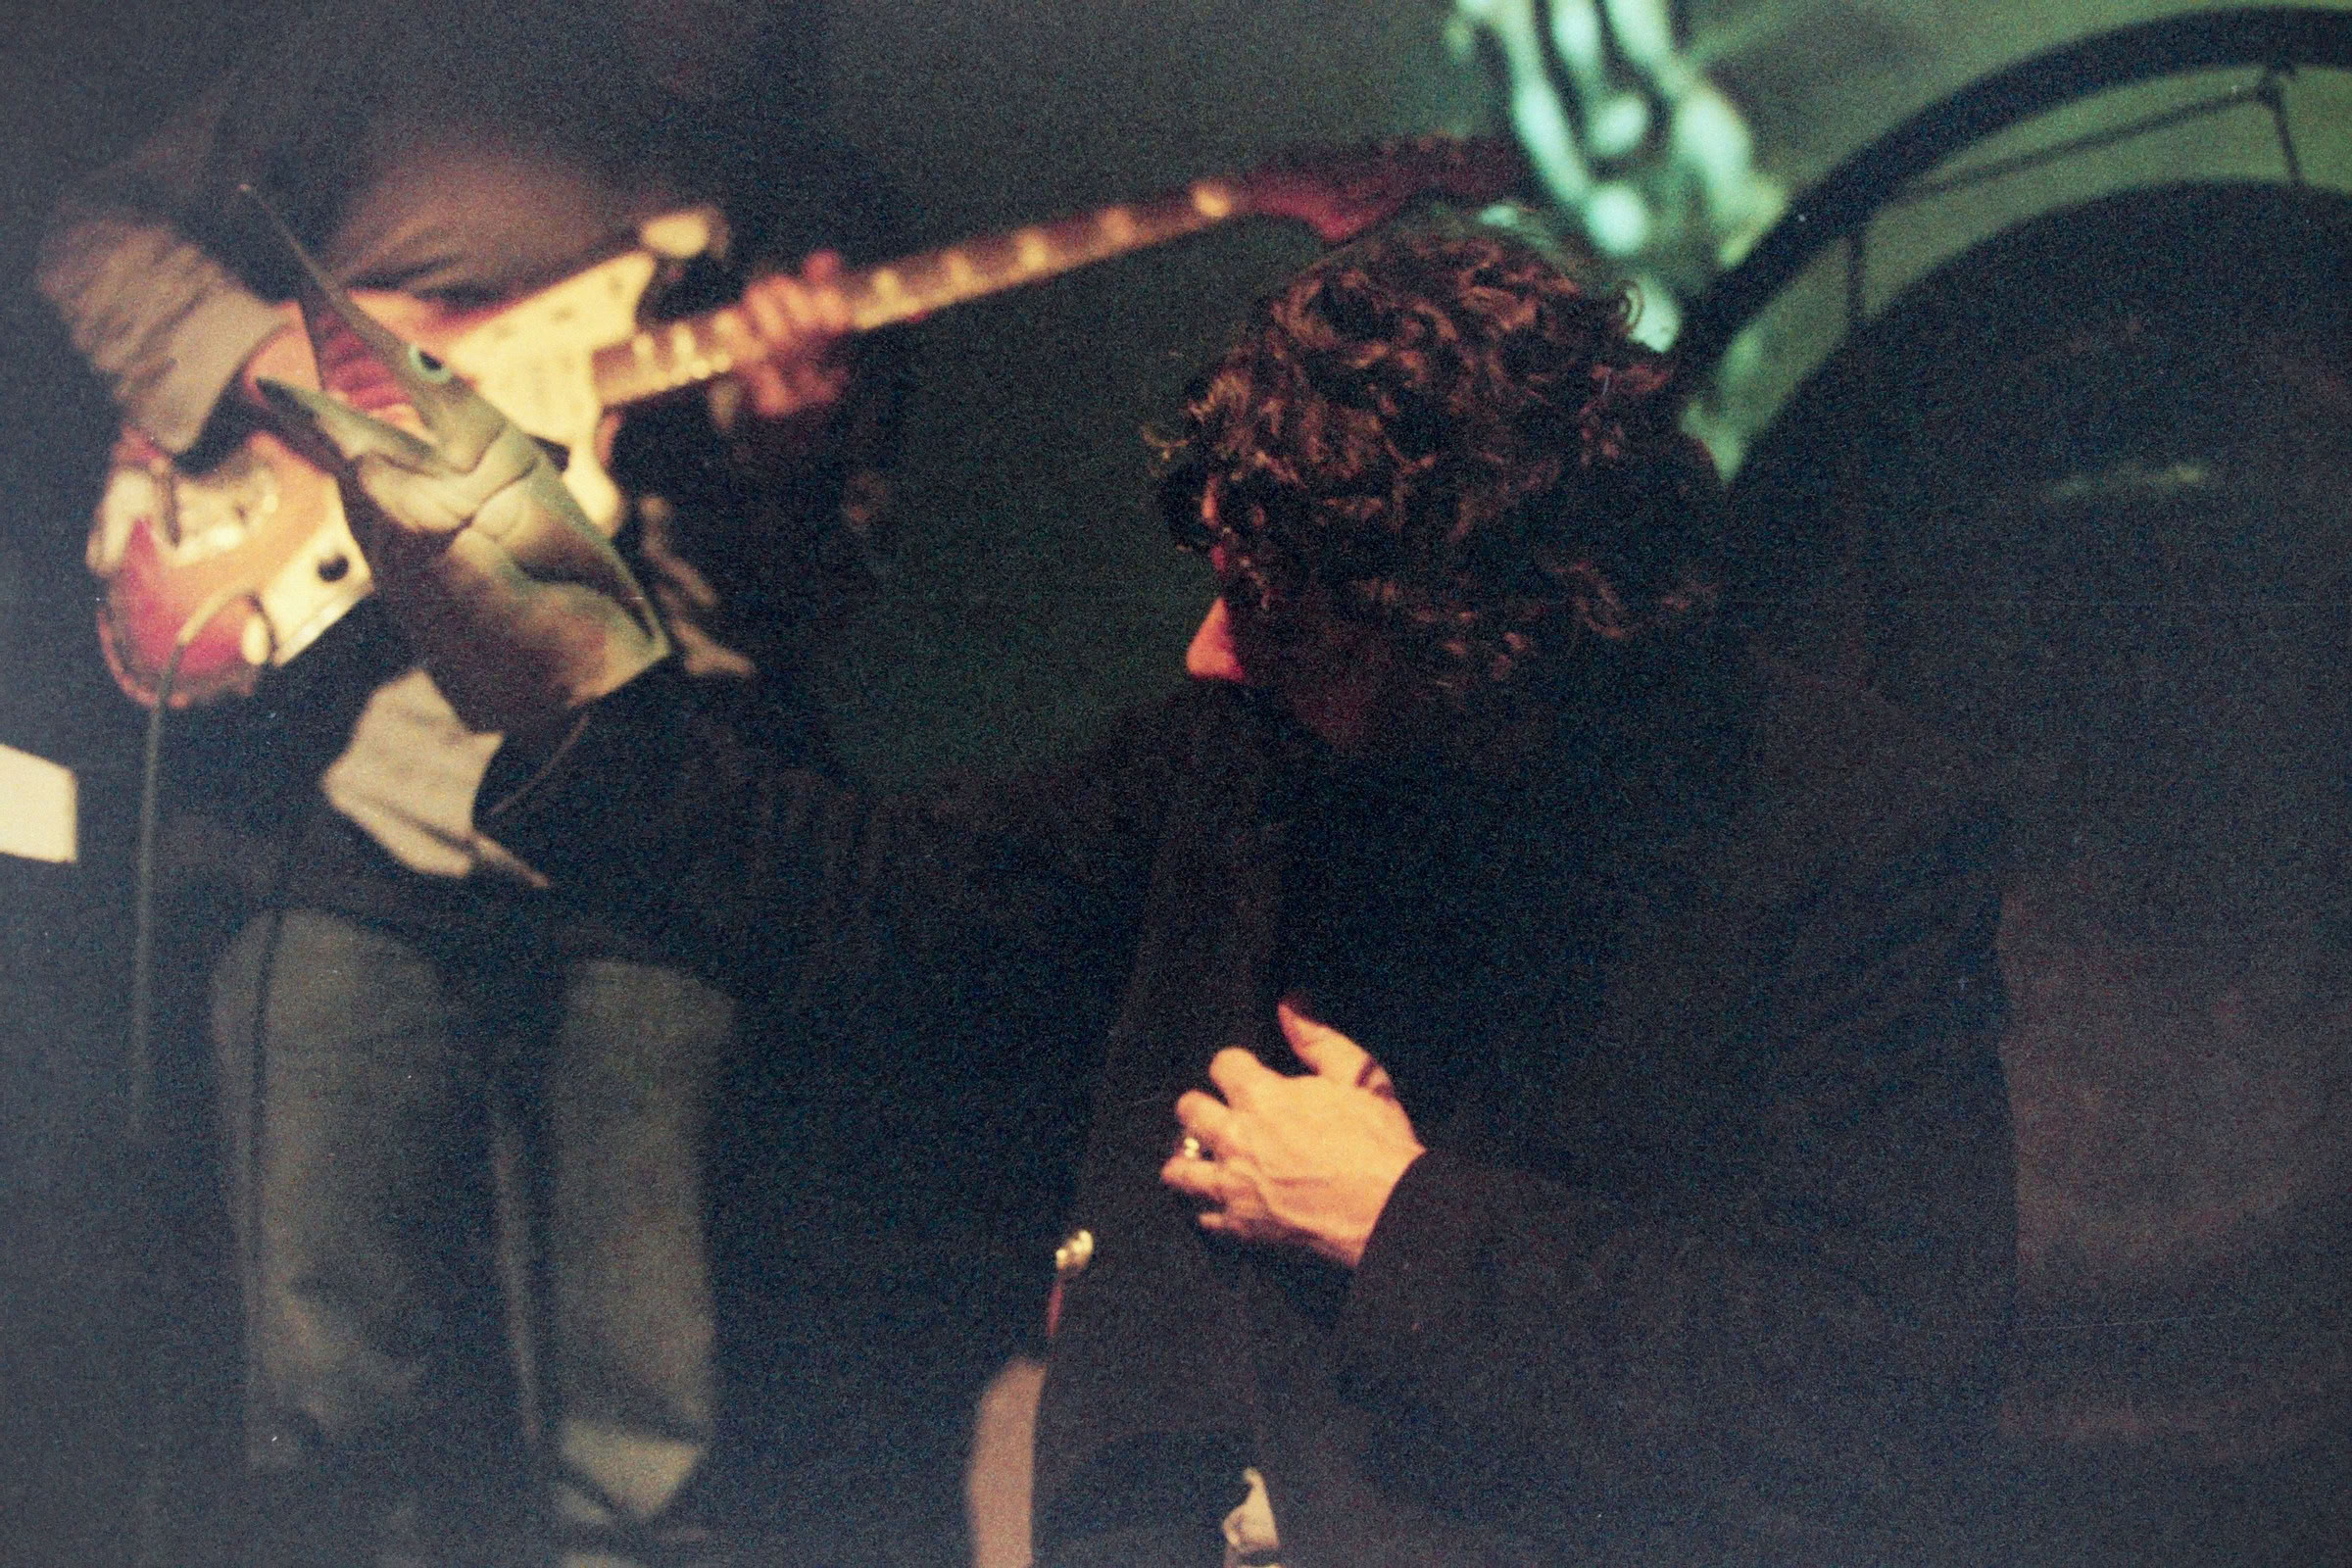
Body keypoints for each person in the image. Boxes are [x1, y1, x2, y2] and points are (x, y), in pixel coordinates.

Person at [299, 218, 2018, 1566]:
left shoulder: (1845, 828)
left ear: (1465, 634)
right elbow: (888, 905)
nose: (1206, 650)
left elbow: (1866, 1390)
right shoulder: (1254, 750)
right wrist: (567, 684)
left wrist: (1397, 1219)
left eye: (1270, 615)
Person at [33, 2, 898, 1563]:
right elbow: (91, 231)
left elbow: (824, 605)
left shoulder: (820, 203)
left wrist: (789, 461)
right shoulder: (401, 49)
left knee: (650, 1432)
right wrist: (268, 356)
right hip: (350, 809)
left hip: (663, 830)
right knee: (325, 1401)